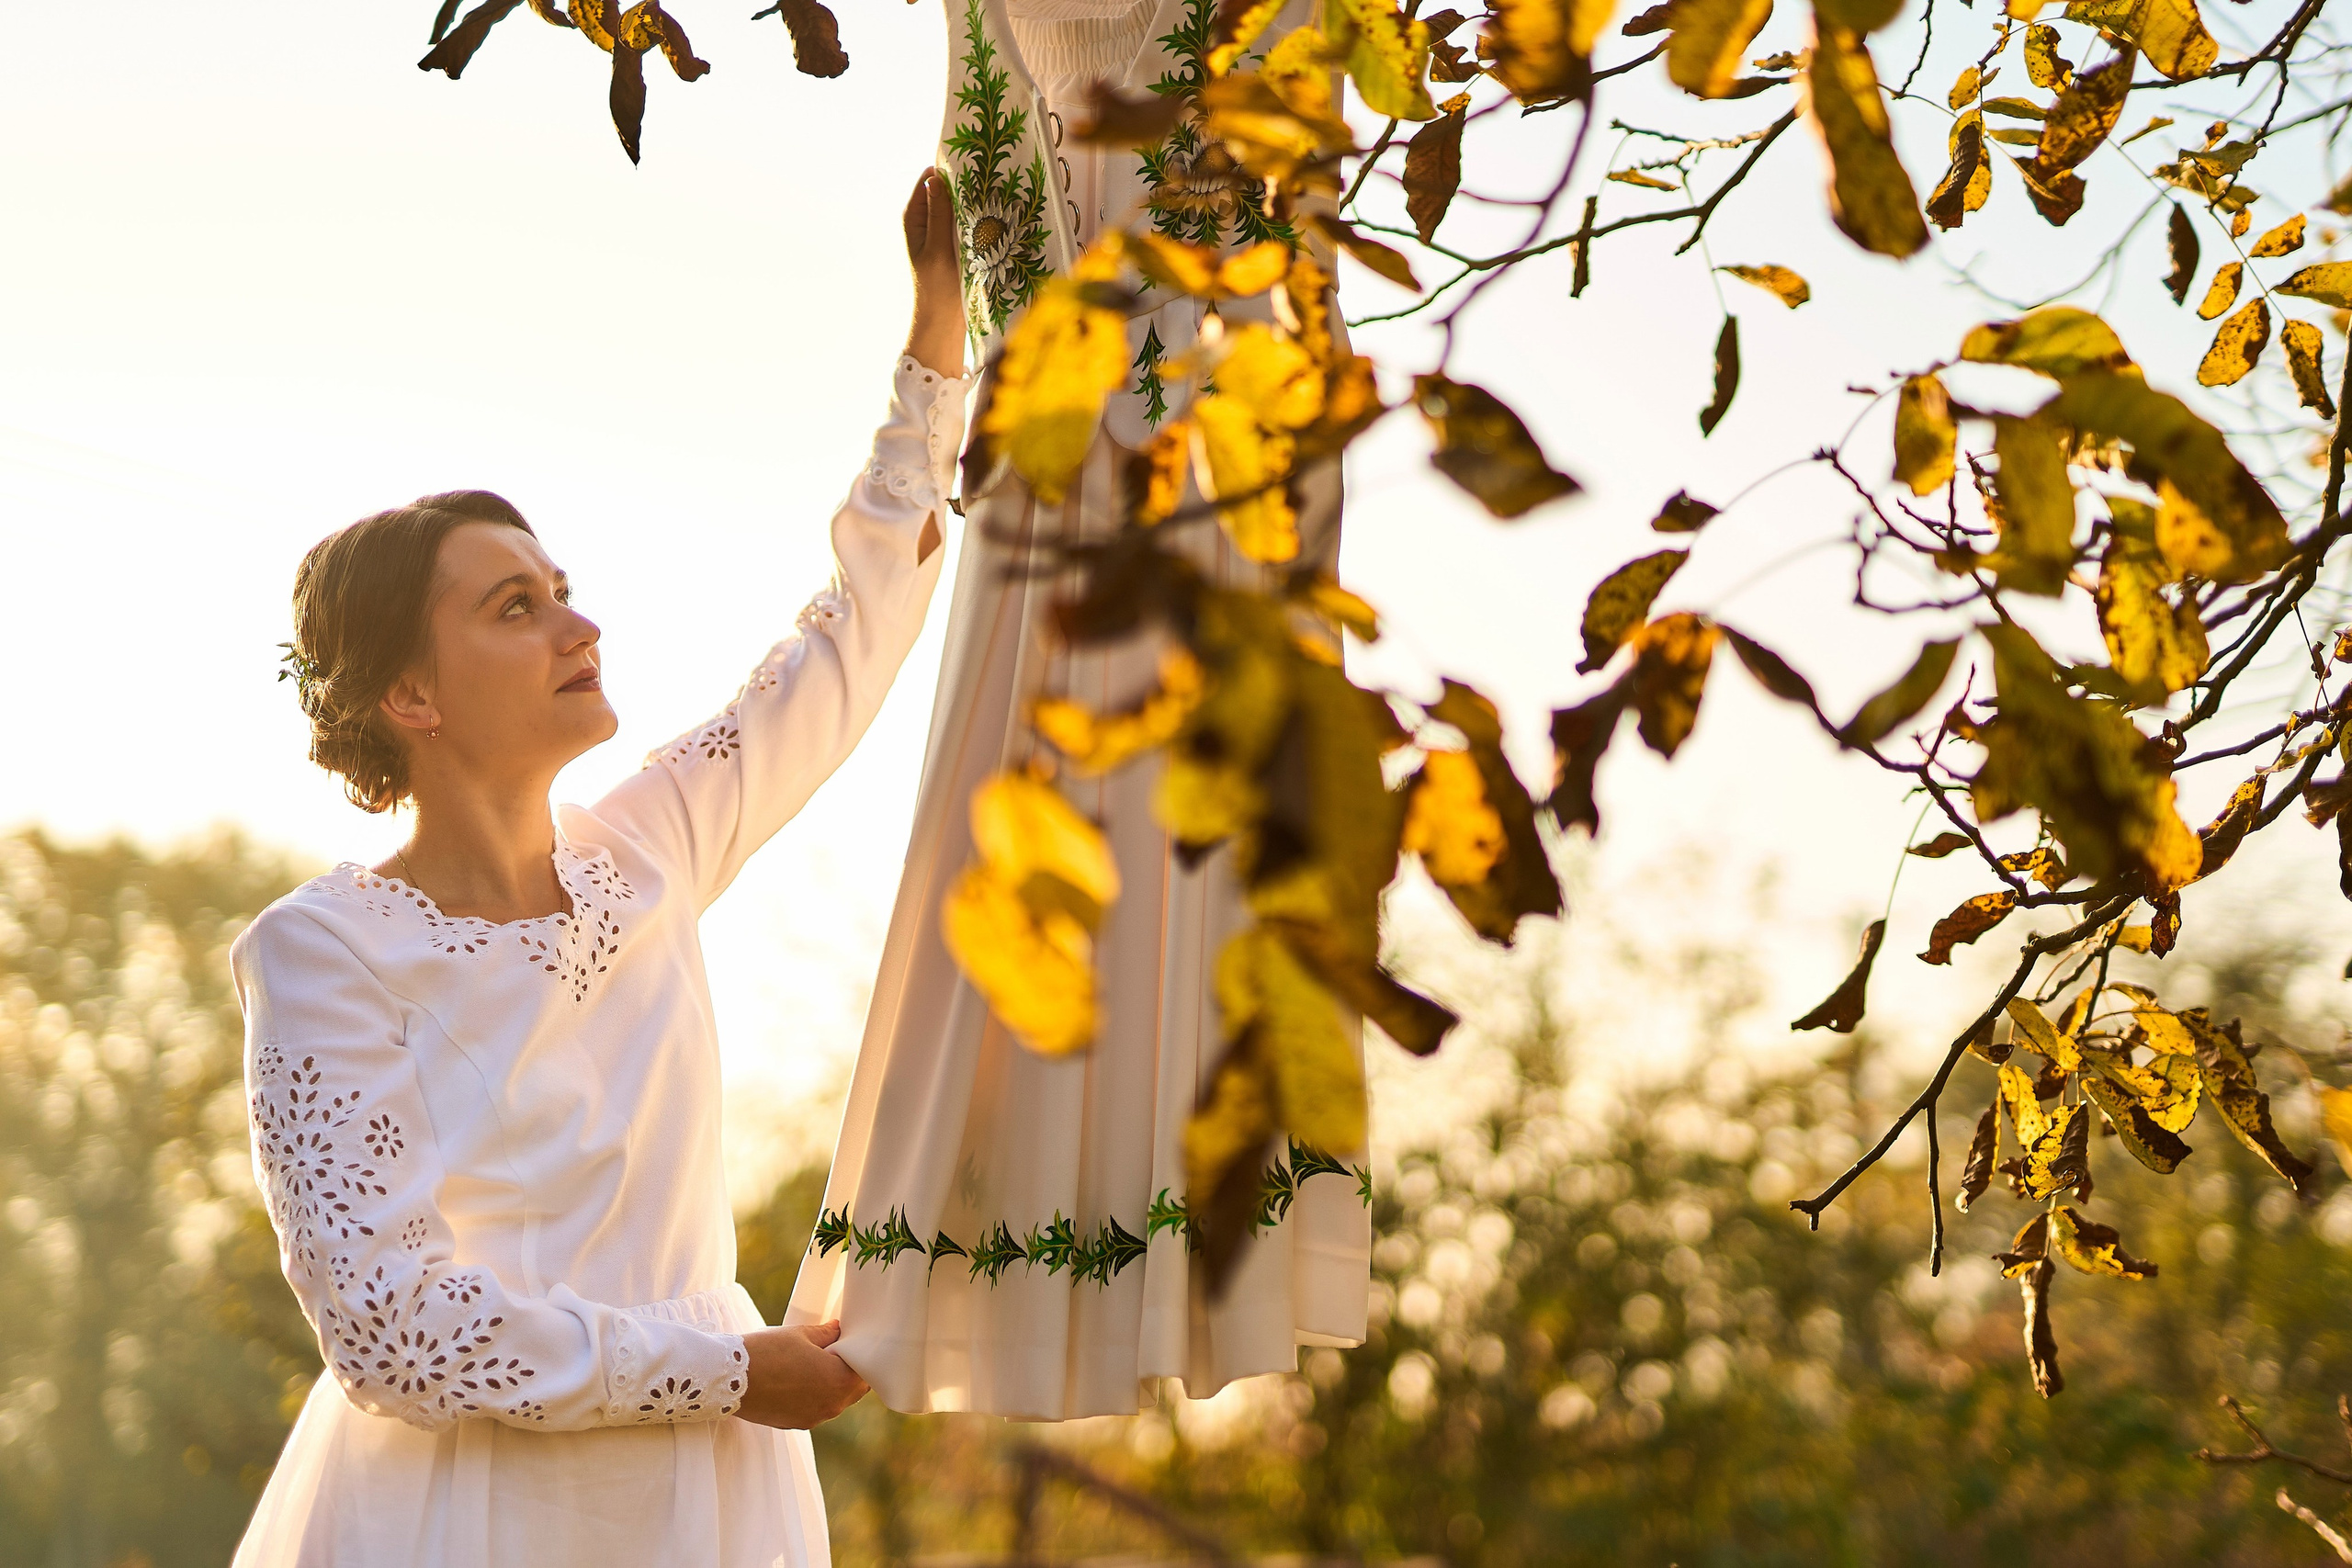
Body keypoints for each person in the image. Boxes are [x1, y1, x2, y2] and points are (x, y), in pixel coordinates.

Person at [225, 168, 968, 1568]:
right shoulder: (323, 951)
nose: (581, 627)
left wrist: (935, 350)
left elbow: (851, 638)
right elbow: (390, 1331)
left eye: (563, 591)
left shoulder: (652, 846)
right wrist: (727, 1371)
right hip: (464, 1515)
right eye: (518, 607)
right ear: (410, 696)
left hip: (705, 1506)